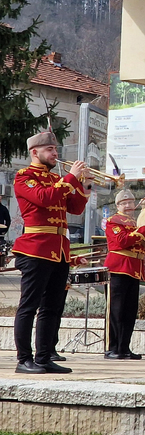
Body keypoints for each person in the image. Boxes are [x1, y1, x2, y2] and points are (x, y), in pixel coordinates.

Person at [11, 131, 89, 374]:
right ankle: (24, 359)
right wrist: (69, 179)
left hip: (59, 250)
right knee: (29, 305)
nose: (55, 153)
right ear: (35, 153)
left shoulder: (56, 178)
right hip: (35, 248)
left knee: (52, 307)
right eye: (49, 150)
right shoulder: (24, 177)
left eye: (55, 149)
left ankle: (44, 357)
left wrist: (82, 184)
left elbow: (74, 208)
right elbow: (44, 198)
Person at [103, 189, 145, 360]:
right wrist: (144, 231)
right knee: (115, 310)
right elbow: (122, 241)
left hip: (134, 268)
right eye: (124, 203)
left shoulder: (137, 221)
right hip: (118, 268)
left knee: (129, 311)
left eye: (130, 202)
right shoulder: (113, 221)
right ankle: (112, 348)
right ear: (117, 205)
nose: (128, 205)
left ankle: (124, 347)